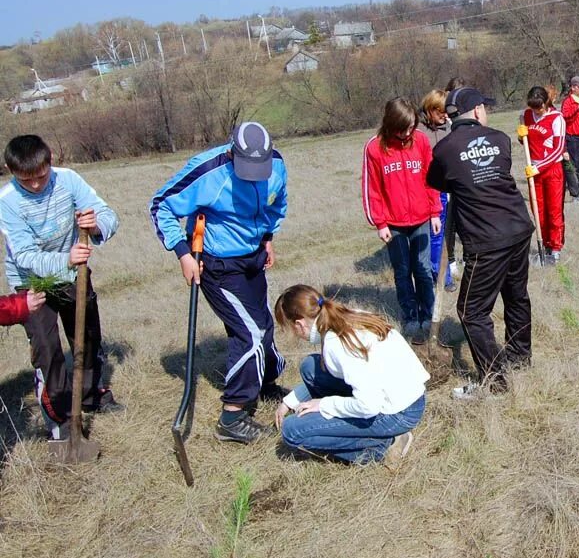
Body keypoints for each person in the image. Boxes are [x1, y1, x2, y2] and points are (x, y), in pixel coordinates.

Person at [150, 121, 287, 444]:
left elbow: (276, 203)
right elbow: (162, 206)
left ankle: (264, 382)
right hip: (217, 265)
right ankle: (233, 416)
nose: (254, 173)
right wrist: (182, 253)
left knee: (263, 324)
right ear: (232, 152)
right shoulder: (207, 171)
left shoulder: (276, 164)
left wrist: (268, 237)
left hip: (252, 257)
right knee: (250, 332)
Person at [1, 135, 123, 440]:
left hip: (73, 273)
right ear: (10, 170)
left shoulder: (68, 180)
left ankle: (89, 394)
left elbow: (109, 216)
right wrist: (65, 260)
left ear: (50, 160)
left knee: (88, 337)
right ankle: (61, 417)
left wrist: (94, 224)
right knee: (47, 350)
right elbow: (25, 256)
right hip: (31, 283)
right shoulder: (7, 202)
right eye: (26, 180)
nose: (36, 186)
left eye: (41, 176)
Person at [427, 88, 534, 397]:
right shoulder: (500, 139)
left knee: (472, 311)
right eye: (485, 107)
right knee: (516, 296)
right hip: (517, 227)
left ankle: (495, 380)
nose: (486, 112)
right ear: (476, 112)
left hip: (487, 240)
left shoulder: (445, 149)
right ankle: (518, 357)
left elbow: (437, 181)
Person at [273, 285, 428, 464]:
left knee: (292, 430)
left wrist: (324, 404)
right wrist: (289, 401)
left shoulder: (336, 343)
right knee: (310, 366)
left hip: (398, 412)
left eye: (289, 329)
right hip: (406, 396)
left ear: (299, 324)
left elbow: (369, 405)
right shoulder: (344, 314)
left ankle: (383, 445)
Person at [363, 97, 441, 344]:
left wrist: (435, 212)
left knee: (423, 268)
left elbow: (432, 179)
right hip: (393, 223)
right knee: (403, 270)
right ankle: (410, 316)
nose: (408, 133)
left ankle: (427, 314)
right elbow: (372, 189)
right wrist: (380, 223)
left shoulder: (421, 141)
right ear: (390, 124)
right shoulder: (375, 148)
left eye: (411, 127)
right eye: (403, 128)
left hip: (421, 219)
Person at [521, 86, 566, 262]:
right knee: (538, 211)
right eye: (532, 108)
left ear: (545, 103)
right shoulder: (526, 116)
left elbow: (559, 149)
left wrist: (540, 167)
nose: (535, 111)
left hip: (552, 170)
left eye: (538, 107)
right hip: (534, 172)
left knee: (554, 210)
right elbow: (527, 143)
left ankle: (555, 248)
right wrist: (521, 137)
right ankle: (545, 244)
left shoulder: (557, 118)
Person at [419, 90, 455, 293]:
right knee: (435, 234)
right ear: (430, 109)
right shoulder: (418, 131)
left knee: (442, 234)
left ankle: (444, 272)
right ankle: (441, 276)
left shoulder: (448, 128)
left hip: (445, 187)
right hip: (426, 187)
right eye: (440, 112)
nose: (444, 116)